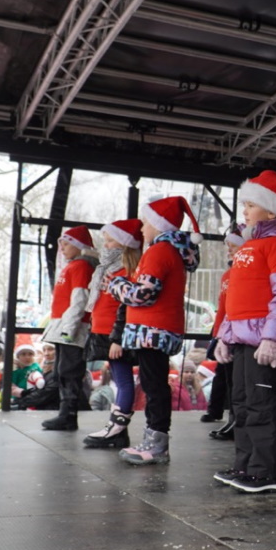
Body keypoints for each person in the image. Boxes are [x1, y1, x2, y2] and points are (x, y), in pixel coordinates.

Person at [212, 171, 276, 493]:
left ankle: (266, 472)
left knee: (262, 404)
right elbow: (235, 299)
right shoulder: (251, 246)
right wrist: (225, 335)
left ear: (271, 211)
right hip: (243, 339)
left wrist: (272, 338)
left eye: (250, 205)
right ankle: (246, 464)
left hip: (263, 340)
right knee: (241, 404)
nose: (244, 211)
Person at [109, 196, 201, 465]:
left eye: (146, 222)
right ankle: (154, 440)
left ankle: (157, 444)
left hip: (152, 330)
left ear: (159, 225)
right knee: (153, 384)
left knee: (154, 386)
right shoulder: (167, 251)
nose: (141, 228)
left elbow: (143, 294)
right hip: (157, 329)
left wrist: (115, 285)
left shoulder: (159, 251)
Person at [81, 218, 144, 449]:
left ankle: (116, 428)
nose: (105, 245)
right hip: (104, 332)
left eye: (110, 241)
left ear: (124, 244)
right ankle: (117, 429)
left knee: (124, 381)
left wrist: (117, 338)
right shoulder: (109, 269)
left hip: (115, 334)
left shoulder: (128, 272)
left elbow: (125, 308)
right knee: (119, 379)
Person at [40, 225, 98, 431]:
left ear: (78, 246)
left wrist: (69, 328)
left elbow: (79, 300)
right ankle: (67, 412)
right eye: (61, 244)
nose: (62, 248)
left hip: (72, 328)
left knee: (69, 371)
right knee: (63, 371)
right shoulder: (73, 266)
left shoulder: (81, 266)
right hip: (65, 326)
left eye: (66, 244)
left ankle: (69, 414)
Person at [203, 228, 246, 440]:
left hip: (238, 331)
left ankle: (236, 419)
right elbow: (222, 306)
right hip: (224, 332)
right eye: (228, 246)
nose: (229, 250)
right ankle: (228, 416)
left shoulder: (242, 272)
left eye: (233, 246)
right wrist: (217, 332)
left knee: (235, 379)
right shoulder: (227, 275)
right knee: (226, 375)